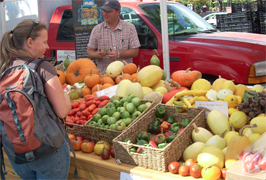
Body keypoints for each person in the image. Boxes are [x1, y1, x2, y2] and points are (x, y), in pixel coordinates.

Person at [0, 19, 71, 179]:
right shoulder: (43, 67)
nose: (47, 47)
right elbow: (61, 111)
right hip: (47, 150)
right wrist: (67, 98)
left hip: (16, 151)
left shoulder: (5, 67)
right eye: (44, 42)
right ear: (30, 42)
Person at [87, 0, 141, 72]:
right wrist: (98, 54)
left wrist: (118, 54)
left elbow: (135, 51)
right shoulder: (97, 29)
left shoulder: (130, 28)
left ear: (118, 12)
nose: (105, 14)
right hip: (104, 75)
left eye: (108, 11)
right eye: (104, 11)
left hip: (125, 73)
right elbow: (90, 52)